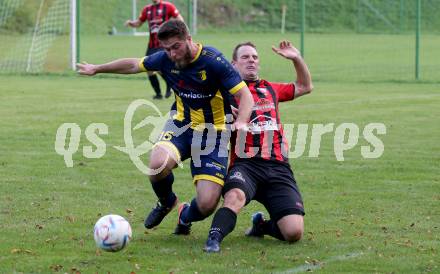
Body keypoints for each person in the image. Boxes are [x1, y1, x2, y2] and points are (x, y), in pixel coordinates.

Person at [77, 20, 254, 236]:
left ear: (189, 39)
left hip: (213, 133)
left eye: (176, 47)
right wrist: (97, 68)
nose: (171, 54)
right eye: (166, 49)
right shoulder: (164, 60)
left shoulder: (213, 61)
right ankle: (166, 202)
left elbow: (244, 95)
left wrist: (242, 120)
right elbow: (134, 64)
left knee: (207, 204)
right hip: (181, 124)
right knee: (157, 164)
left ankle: (184, 215)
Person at [203, 40, 313, 252]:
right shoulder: (223, 95)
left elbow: (305, 86)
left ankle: (261, 226)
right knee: (234, 197)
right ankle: (213, 240)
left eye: (254, 57)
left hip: (278, 166)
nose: (251, 60)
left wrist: (296, 59)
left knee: (293, 232)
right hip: (246, 165)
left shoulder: (270, 88)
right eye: (245, 57)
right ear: (233, 64)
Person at [125, 0, 184, 99]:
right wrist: (131, 23)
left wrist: (173, 31)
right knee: (149, 69)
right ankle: (158, 94)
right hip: (152, 45)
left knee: (159, 67)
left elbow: (180, 20)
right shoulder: (147, 9)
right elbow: (138, 23)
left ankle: (170, 85)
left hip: (164, 44)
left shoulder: (168, 6)